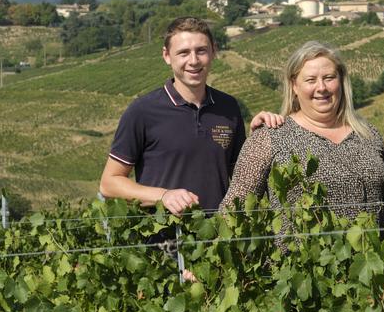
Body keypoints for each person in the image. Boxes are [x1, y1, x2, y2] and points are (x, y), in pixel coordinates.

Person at [100, 15, 267, 213]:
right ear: (167, 56)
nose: (194, 61)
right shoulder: (143, 111)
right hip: (162, 241)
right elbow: (109, 184)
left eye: (201, 51)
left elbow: (241, 178)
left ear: (213, 51)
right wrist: (164, 196)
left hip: (219, 237)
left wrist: (259, 139)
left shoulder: (228, 107)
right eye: (183, 53)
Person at [220, 41, 384, 220]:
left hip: (371, 247)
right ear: (294, 86)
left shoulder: (368, 134)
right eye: (310, 80)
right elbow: (232, 211)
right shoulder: (269, 137)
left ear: (341, 81)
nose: (321, 88)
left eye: (329, 78)